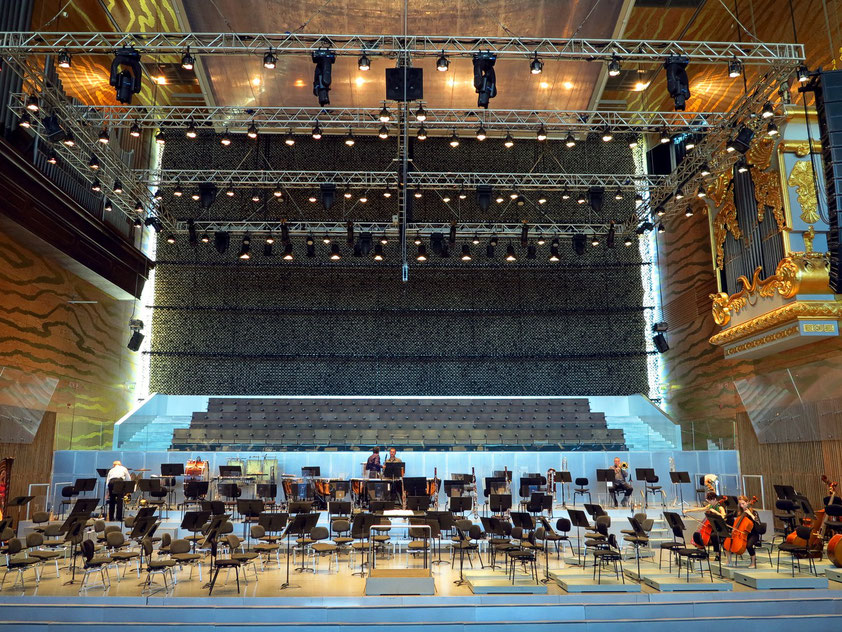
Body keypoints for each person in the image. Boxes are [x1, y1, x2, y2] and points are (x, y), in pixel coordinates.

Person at [688, 490, 727, 556]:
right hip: (711, 527)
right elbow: (700, 509)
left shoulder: (720, 507)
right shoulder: (710, 506)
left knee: (714, 536)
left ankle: (717, 554)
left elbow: (723, 516)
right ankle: (702, 552)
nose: (709, 502)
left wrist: (715, 512)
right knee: (699, 535)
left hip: (718, 528)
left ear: (714, 499)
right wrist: (688, 511)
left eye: (710, 501)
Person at [727, 495, 761, 568]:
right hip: (742, 534)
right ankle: (729, 561)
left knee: (749, 545)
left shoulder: (754, 512)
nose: (742, 506)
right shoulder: (740, 512)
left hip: (753, 534)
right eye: (740, 504)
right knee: (728, 542)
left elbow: (758, 522)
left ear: (748, 502)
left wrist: (750, 514)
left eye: (743, 503)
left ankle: (753, 562)